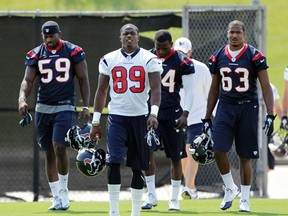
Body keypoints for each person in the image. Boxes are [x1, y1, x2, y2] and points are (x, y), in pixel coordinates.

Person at [202, 20, 275, 212]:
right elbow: (214, 88)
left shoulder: (254, 56)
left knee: (245, 156)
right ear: (227, 33)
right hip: (225, 107)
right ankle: (230, 188)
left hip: (247, 107)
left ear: (244, 34)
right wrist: (207, 117)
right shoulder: (218, 56)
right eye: (231, 32)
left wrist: (270, 113)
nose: (234, 35)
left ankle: (245, 198)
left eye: (238, 32)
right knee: (218, 149)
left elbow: (266, 87)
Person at [90, 23, 162, 216]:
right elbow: (102, 91)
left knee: (138, 166)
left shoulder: (149, 59)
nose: (129, 36)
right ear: (120, 37)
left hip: (139, 118)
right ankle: (114, 211)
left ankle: (136, 212)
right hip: (117, 118)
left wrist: (153, 113)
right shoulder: (109, 59)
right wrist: (96, 122)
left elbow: (156, 88)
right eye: (125, 34)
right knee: (113, 161)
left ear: (138, 37)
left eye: (132, 34)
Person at [18, 20, 90, 210]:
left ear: (60, 33)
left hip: (64, 106)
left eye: (52, 36)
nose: (49, 39)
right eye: (46, 36)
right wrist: (22, 99)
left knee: (59, 147)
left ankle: (65, 193)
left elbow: (83, 79)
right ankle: (56, 196)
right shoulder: (35, 53)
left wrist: (85, 106)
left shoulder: (73, 50)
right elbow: (28, 80)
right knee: (49, 152)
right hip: (43, 108)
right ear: (43, 36)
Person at [141, 30, 195, 211]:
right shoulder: (147, 57)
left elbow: (190, 90)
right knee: (147, 153)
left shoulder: (181, 61)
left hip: (173, 111)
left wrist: (185, 114)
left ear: (171, 45)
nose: (161, 52)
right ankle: (151, 195)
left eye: (165, 48)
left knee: (175, 156)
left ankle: (173, 198)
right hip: (151, 113)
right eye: (158, 48)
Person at [174, 37, 212, 200]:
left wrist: (210, 117)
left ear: (191, 52)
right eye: (178, 52)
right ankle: (191, 187)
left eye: (184, 52)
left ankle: (188, 187)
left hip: (197, 116)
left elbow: (210, 92)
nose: (181, 55)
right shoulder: (169, 67)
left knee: (192, 152)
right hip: (179, 118)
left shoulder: (201, 68)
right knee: (182, 156)